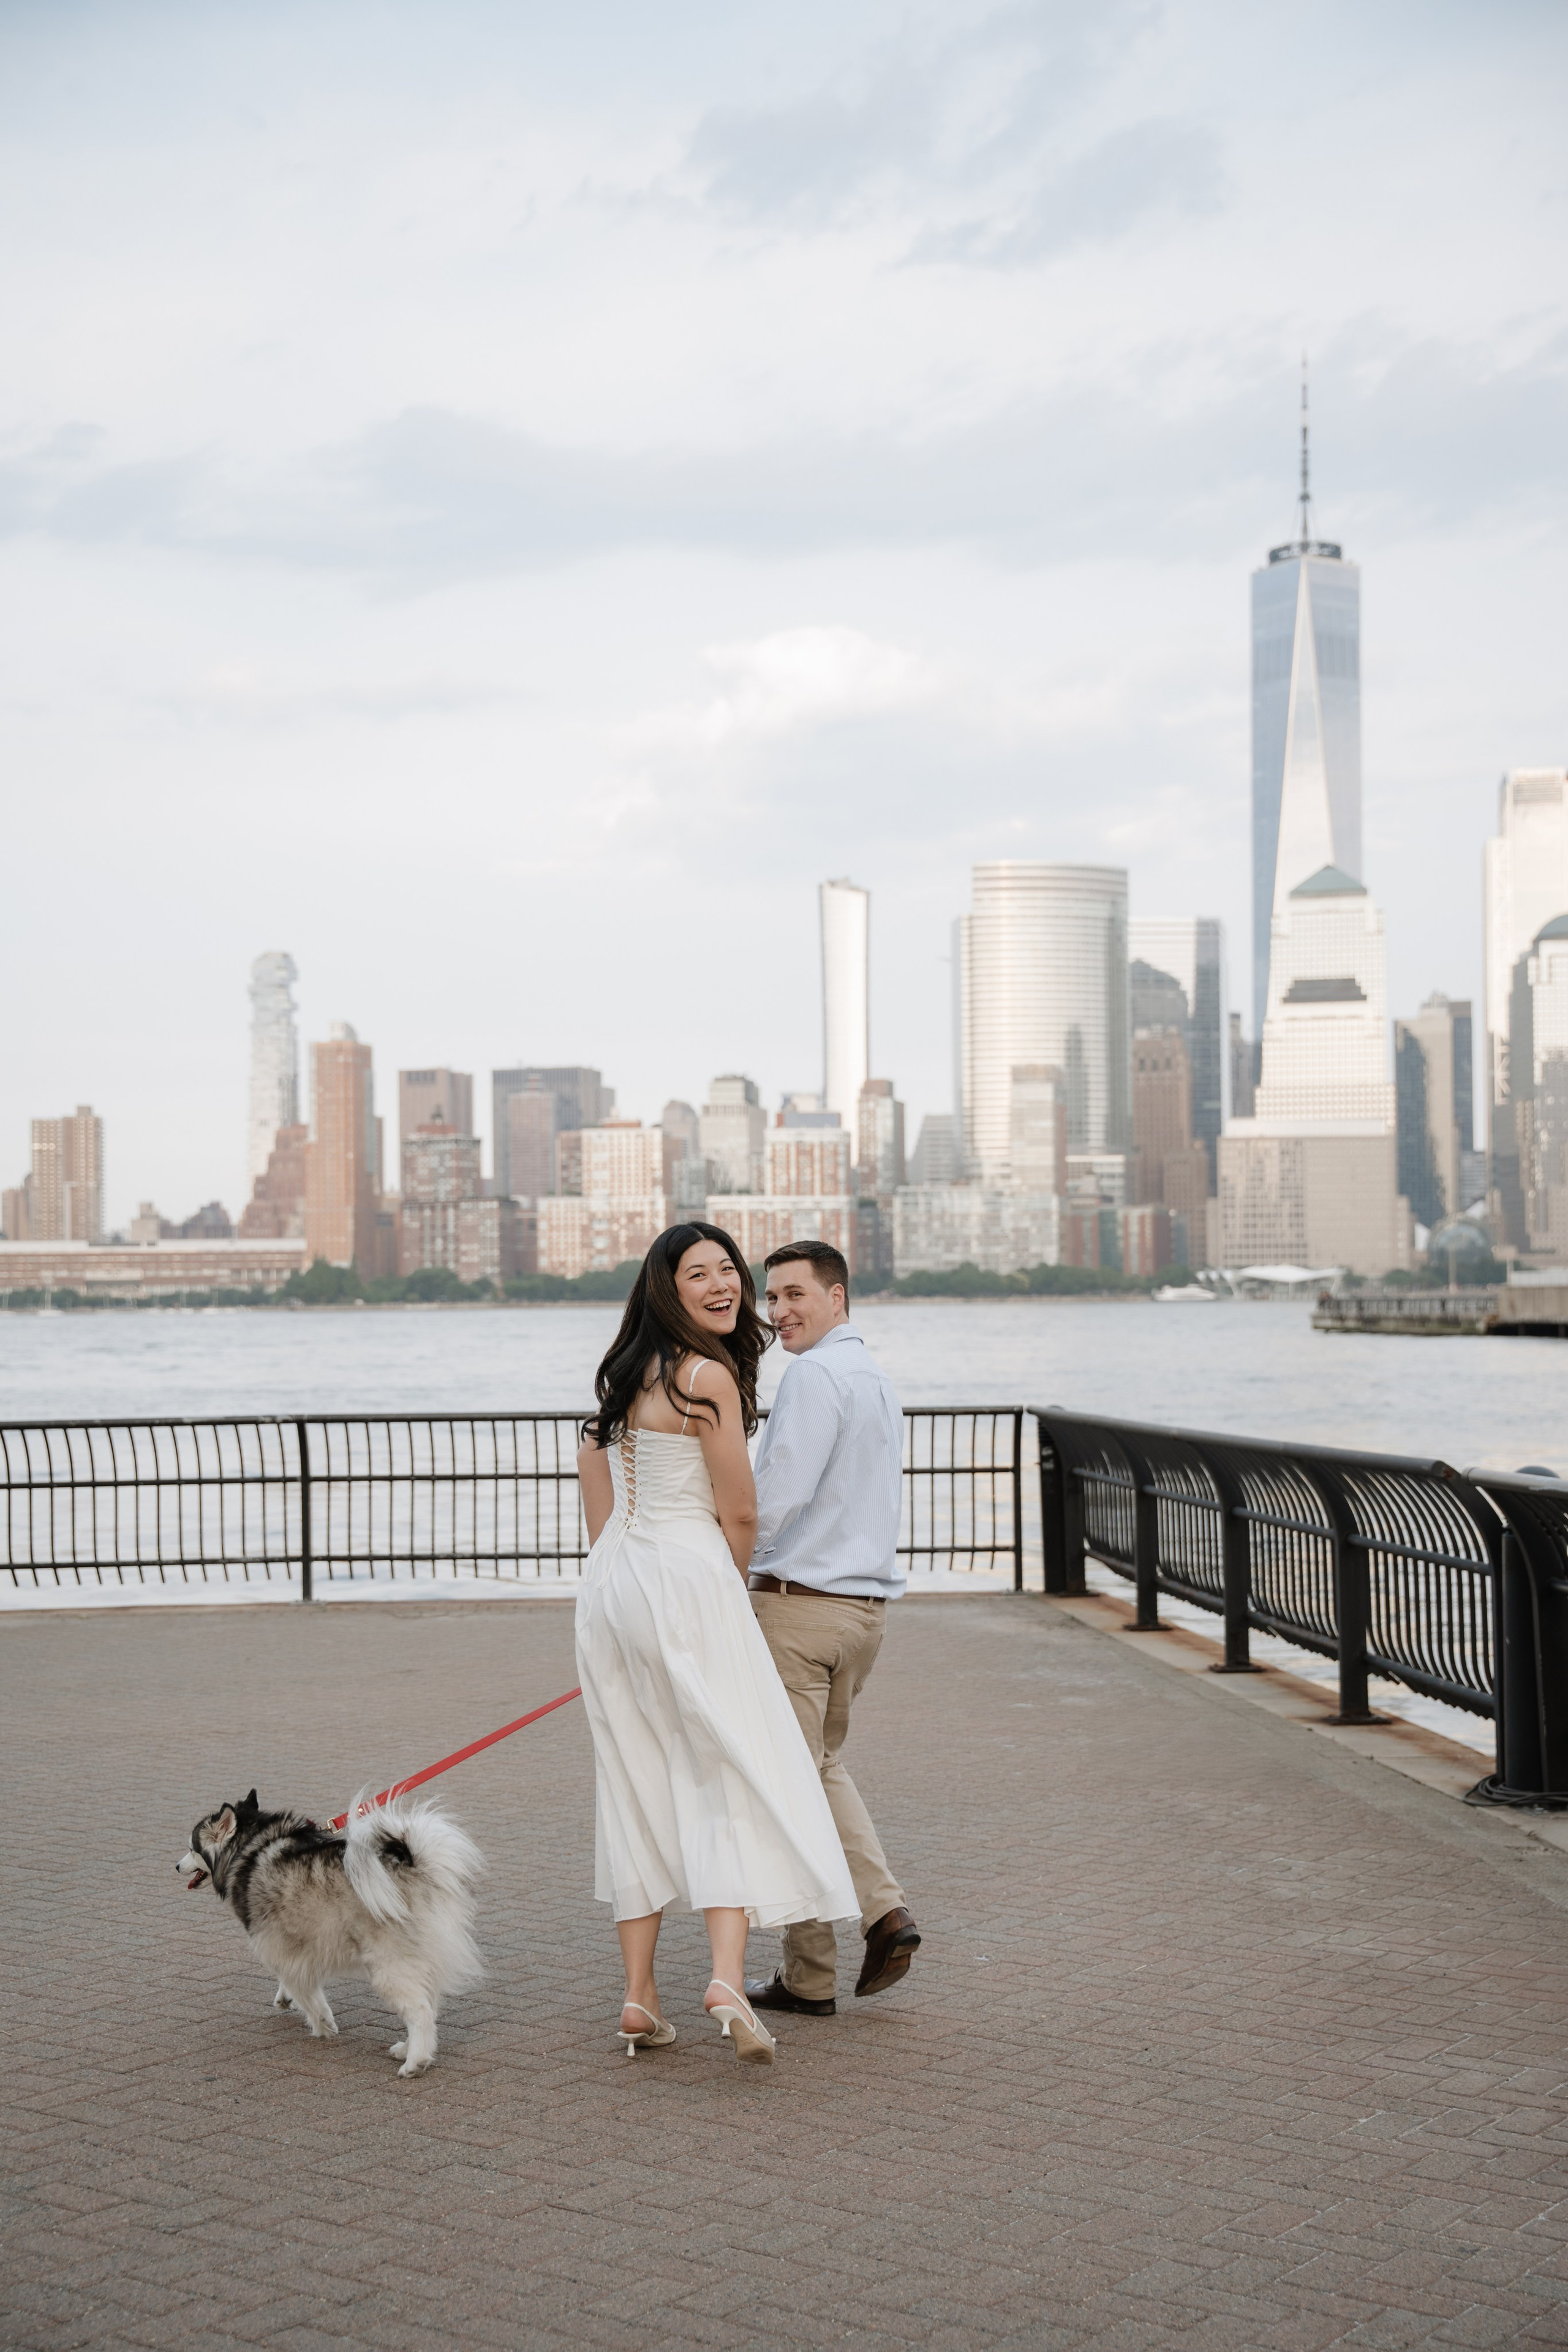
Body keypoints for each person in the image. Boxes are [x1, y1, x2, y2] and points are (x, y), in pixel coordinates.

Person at [574, 1223, 858, 2067]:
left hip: (611, 1585)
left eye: (728, 1269)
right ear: (668, 1290)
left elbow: (600, 1509)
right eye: (699, 1274)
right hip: (690, 1580)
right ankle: (728, 1978)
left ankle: (638, 1996)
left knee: (630, 1782)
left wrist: (624, 1593)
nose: (723, 1284)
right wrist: (726, 1588)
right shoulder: (705, 1380)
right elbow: (740, 1511)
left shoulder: (622, 1384)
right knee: (726, 1769)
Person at [744, 1240, 921, 2019]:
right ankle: (808, 1975)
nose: (778, 1311)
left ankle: (883, 1911)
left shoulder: (814, 1375)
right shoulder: (874, 1378)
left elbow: (776, 1496)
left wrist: (720, 1568)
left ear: (837, 1297)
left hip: (801, 1610)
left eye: (794, 1295)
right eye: (771, 1298)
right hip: (862, 1617)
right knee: (813, 1772)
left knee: (796, 1779)